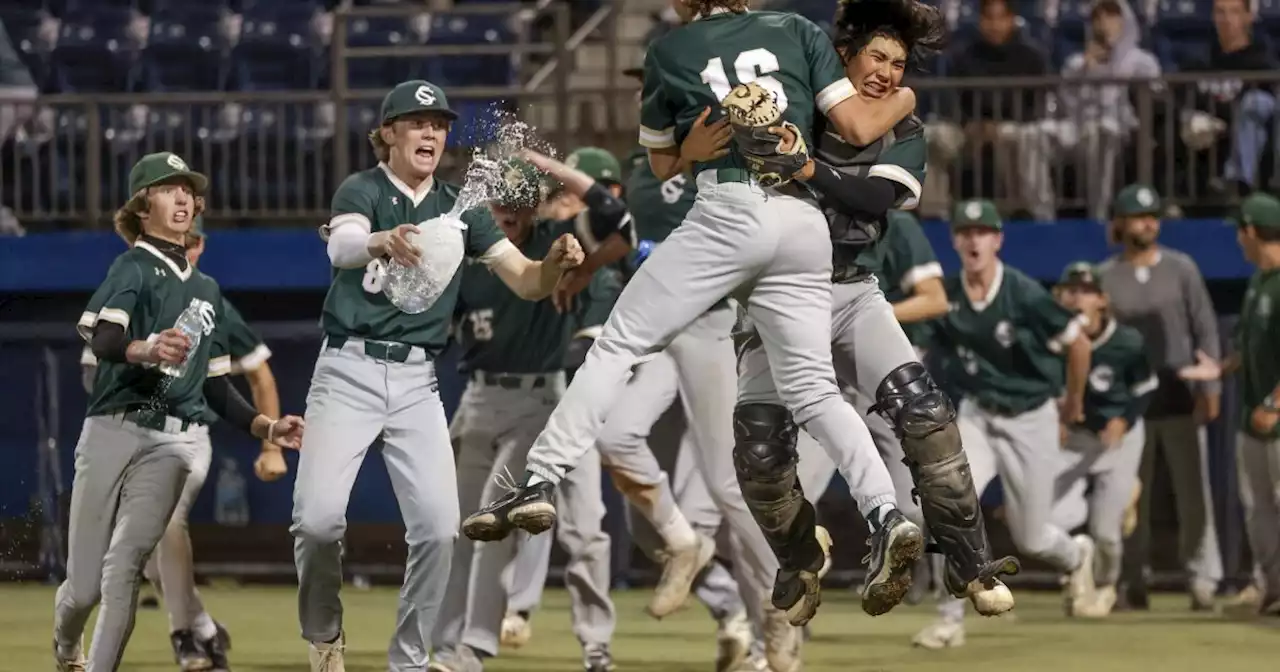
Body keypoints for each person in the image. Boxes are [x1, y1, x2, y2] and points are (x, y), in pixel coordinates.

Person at [464, 0, 926, 632]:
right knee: (815, 391)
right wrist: (906, 98)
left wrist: (687, 145)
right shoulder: (796, 30)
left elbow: (660, 163)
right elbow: (858, 123)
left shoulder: (669, 51)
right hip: (802, 220)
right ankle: (885, 512)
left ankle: (541, 478)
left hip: (729, 206)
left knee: (617, 347)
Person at [293, 79, 583, 672]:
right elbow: (342, 246)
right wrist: (380, 239)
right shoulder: (365, 187)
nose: (431, 131)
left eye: (440, 123)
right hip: (347, 368)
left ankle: (409, 660)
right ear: (389, 132)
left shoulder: (462, 206)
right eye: (417, 121)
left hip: (416, 381)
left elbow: (526, 282)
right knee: (318, 523)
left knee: (439, 529)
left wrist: (553, 265)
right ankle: (325, 634)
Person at [742, 0, 1018, 620]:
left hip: (851, 289)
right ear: (845, 57)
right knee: (759, 451)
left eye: (898, 63)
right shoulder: (797, 107)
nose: (888, 73)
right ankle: (798, 566)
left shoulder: (906, 130)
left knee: (924, 413)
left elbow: (871, 200)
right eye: (877, 57)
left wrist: (808, 168)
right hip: (777, 292)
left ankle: (972, 564)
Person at [54, 152, 305, 672]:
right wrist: (146, 349)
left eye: (187, 189)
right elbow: (103, 338)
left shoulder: (207, 292)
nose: (183, 196)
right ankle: (64, 648)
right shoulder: (132, 267)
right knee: (82, 587)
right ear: (142, 209)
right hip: (112, 429)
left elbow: (216, 389)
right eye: (168, 188)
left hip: (171, 446)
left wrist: (267, 427)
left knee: (123, 569)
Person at [431, 153, 631, 672]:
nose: (509, 214)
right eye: (501, 202)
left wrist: (539, 162)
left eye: (520, 203)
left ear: (536, 205)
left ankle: (580, 645)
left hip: (549, 400)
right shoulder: (465, 253)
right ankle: (452, 647)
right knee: (457, 528)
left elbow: (616, 217)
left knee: (571, 530)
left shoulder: (555, 241)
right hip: (479, 398)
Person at [911, 199, 1096, 650]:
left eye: (983, 231)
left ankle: (1076, 556)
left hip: (1031, 416)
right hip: (979, 414)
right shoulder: (949, 294)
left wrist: (1073, 401)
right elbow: (917, 351)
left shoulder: (1022, 291)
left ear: (998, 240)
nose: (974, 239)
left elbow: (1080, 344)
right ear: (955, 240)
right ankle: (950, 617)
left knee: (1031, 536)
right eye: (966, 231)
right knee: (947, 501)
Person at [1097, 184, 1224, 612]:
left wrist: (1212, 388)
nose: (1148, 223)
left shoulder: (1181, 267)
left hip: (1181, 394)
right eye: (1138, 216)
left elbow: (1205, 328)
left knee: (1194, 495)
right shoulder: (1105, 275)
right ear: (1122, 223)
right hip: (1131, 405)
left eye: (1153, 216)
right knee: (1132, 496)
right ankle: (1133, 581)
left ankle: (1202, 579)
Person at [1050, 261, 1157, 618]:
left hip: (1117, 438)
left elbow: (1145, 388)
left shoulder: (1126, 341)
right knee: (1045, 518)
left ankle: (1107, 585)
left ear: (1101, 300)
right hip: (1074, 438)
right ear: (1059, 297)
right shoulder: (1050, 340)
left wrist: (1124, 421)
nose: (1078, 297)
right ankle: (1077, 572)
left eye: (1087, 291)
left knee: (1106, 532)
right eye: (1072, 290)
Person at [1023, 0, 1161, 221]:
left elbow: (1155, 97)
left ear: (1125, 21)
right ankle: (1043, 214)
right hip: (1077, 128)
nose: (1104, 24)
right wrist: (1085, 71)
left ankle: (1098, 215)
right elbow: (1063, 105)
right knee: (1033, 134)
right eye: (1098, 18)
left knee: (1100, 131)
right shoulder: (1076, 63)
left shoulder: (1142, 62)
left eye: (1111, 17)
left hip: (1119, 128)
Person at [925, 0, 1051, 218]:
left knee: (1018, 137)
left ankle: (1024, 213)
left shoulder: (1031, 57)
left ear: (1012, 20)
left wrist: (999, 125)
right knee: (932, 135)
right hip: (968, 130)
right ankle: (935, 214)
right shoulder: (964, 56)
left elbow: (1037, 106)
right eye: (988, 18)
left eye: (1000, 18)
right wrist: (967, 124)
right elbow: (951, 99)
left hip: (1013, 128)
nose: (994, 25)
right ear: (980, 21)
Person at [1224, 192, 1280, 616]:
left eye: (1240, 232)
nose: (1238, 241)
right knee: (1257, 510)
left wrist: (1275, 403)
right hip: (1251, 417)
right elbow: (1251, 346)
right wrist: (1220, 369)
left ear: (1251, 231)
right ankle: (1272, 588)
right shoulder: (1259, 281)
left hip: (1275, 418)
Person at [1180, 0, 1277, 194]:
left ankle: (1237, 182)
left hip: (1248, 137)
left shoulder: (1262, 64)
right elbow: (1185, 100)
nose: (1226, 20)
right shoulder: (1199, 62)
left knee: (1255, 102)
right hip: (1205, 136)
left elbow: (1263, 107)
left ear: (1248, 17)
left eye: (1234, 12)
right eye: (1220, 13)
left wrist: (1224, 121)